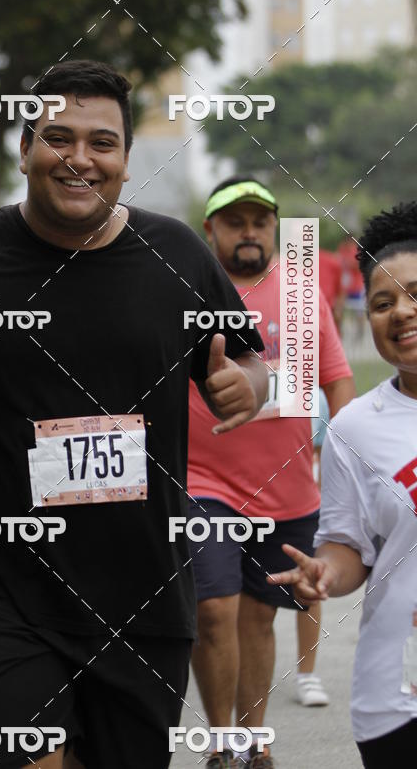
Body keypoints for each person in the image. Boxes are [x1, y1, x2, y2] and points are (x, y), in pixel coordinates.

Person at [0, 60, 269, 769]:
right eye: (58, 138)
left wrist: (248, 385)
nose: (79, 158)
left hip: (142, 596)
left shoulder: (178, 256)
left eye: (102, 142)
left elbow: (250, 360)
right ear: (25, 149)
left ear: (126, 160)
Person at [187, 177, 356, 767]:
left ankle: (253, 741)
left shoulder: (303, 293)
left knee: (259, 618)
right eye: (235, 222)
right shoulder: (187, 289)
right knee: (214, 609)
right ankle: (219, 743)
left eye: (260, 221)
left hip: (286, 488)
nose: (250, 232)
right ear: (211, 229)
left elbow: (337, 381)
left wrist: (346, 462)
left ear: (274, 228)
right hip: (203, 483)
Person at [269, 201, 417, 768]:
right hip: (398, 701)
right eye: (382, 303)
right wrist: (326, 571)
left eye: (414, 293)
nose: (400, 312)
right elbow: (346, 543)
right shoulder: (355, 427)